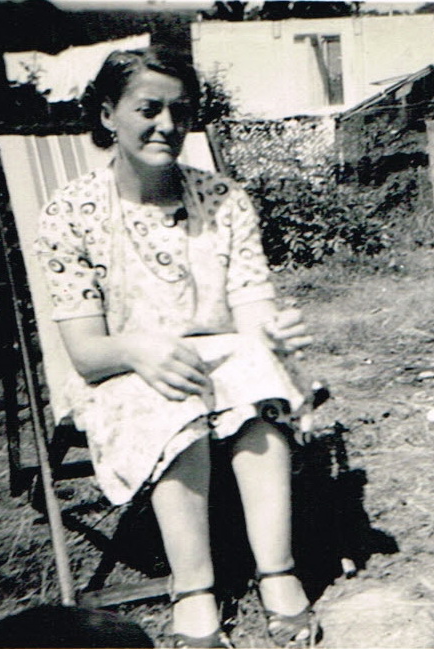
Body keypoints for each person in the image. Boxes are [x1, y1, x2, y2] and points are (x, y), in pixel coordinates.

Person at [34, 47, 321, 649]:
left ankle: (278, 572)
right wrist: (142, 352)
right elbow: (86, 352)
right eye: (149, 109)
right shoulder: (69, 214)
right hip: (120, 369)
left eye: (181, 111)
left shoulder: (224, 200)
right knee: (176, 396)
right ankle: (193, 589)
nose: (167, 125)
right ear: (108, 114)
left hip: (221, 359)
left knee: (262, 373)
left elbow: (252, 313)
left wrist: (272, 333)